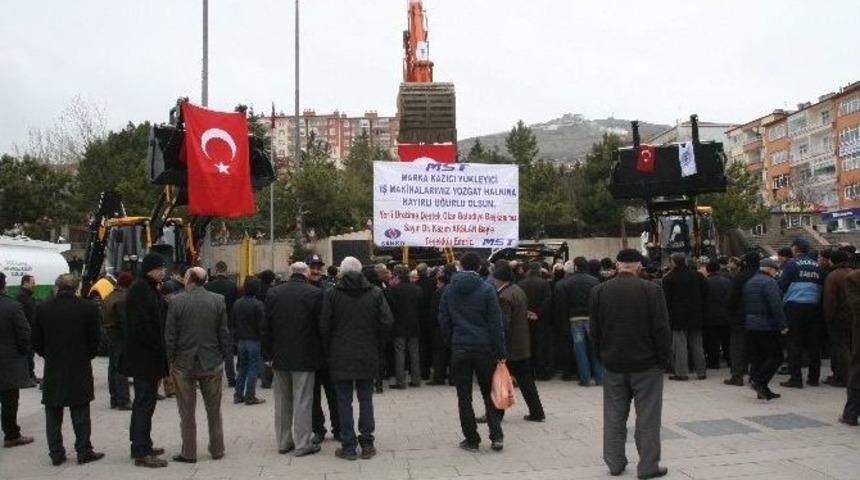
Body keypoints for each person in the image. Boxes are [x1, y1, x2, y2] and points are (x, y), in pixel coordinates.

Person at [590, 249, 671, 479]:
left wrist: (601, 356)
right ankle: (647, 467)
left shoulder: (599, 291)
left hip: (613, 362)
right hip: (646, 364)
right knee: (647, 416)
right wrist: (663, 359)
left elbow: (594, 330)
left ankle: (615, 463)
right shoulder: (652, 290)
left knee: (614, 414)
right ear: (638, 266)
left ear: (617, 265)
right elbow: (661, 328)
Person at [321, 257, 393, 461]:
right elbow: (387, 321)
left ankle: (348, 445)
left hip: (340, 354)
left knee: (343, 401)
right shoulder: (376, 292)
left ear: (342, 272)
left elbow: (324, 325)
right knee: (366, 398)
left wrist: (329, 348)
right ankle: (367, 442)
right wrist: (378, 344)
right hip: (367, 352)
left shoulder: (332, 294)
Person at [32, 274, 104, 466]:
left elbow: (36, 341)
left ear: (57, 287)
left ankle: (56, 452)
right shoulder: (87, 308)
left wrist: (48, 354)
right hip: (79, 365)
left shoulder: (43, 308)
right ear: (77, 288)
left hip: (54, 366)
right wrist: (87, 355)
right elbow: (95, 338)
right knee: (80, 411)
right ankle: (83, 450)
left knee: (53, 412)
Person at [439, 252, 506, 453]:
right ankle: (496, 436)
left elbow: (443, 321)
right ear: (479, 267)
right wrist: (500, 350)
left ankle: (471, 439)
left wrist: (451, 342)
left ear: (460, 266)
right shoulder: (488, 289)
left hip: (460, 347)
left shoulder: (449, 290)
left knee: (464, 396)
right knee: (488, 393)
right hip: (484, 348)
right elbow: (496, 322)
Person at [164, 267, 230, 463]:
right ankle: (217, 448)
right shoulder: (218, 300)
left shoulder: (176, 301)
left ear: (188, 279)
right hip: (211, 361)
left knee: (186, 411)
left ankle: (189, 452)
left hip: (183, 363)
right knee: (214, 409)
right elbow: (223, 332)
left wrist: (169, 361)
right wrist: (223, 358)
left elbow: (170, 336)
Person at [263, 262, 324, 457]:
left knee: (282, 401)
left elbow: (266, 327)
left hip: (279, 356)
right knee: (303, 400)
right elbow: (321, 327)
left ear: (290, 274)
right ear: (306, 274)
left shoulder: (273, 293)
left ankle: (283, 441)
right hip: (305, 356)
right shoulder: (314, 294)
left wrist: (268, 355)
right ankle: (302, 442)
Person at [123, 253, 170, 468]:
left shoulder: (147, 287)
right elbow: (142, 326)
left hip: (148, 357)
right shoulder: (141, 289)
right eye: (160, 268)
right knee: (143, 403)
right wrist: (158, 345)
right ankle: (141, 450)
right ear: (150, 269)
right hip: (145, 358)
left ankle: (142, 444)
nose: (163, 271)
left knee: (146, 403)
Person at [492, 261, 545, 422]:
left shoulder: (503, 296)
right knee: (526, 381)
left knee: (499, 380)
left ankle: (496, 413)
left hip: (510, 346)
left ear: (499, 279)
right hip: (522, 343)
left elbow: (503, 324)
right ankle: (537, 412)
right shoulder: (518, 290)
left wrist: (498, 345)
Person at [779, 238, 825, 388]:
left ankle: (796, 378)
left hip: (794, 307)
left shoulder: (791, 264)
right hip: (814, 308)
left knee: (794, 343)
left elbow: (782, 286)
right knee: (814, 344)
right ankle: (814, 378)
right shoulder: (818, 266)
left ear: (795, 248)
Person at [305, 254, 340, 446]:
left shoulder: (330, 289)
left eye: (318, 267)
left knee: (334, 393)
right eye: (313, 266)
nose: (316, 270)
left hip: (329, 351)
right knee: (313, 395)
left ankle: (339, 428)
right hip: (310, 351)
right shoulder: (303, 290)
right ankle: (318, 429)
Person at [743, 259, 789, 400]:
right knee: (776, 356)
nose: (776, 273)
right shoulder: (769, 283)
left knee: (759, 356)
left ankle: (762, 388)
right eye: (775, 270)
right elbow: (776, 305)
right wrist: (783, 324)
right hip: (767, 325)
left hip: (751, 324)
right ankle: (759, 381)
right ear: (770, 269)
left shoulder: (750, 282)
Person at [555, 257, 603, 386]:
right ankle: (599, 377)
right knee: (594, 347)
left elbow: (562, 305)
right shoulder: (595, 282)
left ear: (575, 266)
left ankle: (584, 378)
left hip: (574, 318)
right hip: (591, 317)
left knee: (580, 349)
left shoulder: (564, 283)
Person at [0, 272, 35, 449]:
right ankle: (11, 435)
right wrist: (23, 352)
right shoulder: (13, 307)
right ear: (3, 285)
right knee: (9, 400)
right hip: (8, 363)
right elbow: (24, 334)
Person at [661, 253, 708, 381]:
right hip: (696, 314)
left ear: (673, 263)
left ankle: (681, 372)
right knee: (697, 344)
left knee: (680, 345)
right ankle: (701, 372)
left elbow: (666, 299)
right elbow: (705, 292)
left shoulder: (669, 278)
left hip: (677, 316)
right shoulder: (697, 275)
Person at [724, 253, 761, 386]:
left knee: (737, 347)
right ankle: (755, 376)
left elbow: (731, 299)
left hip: (740, 317)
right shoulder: (763, 276)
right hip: (760, 317)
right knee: (756, 347)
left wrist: (729, 313)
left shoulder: (740, 277)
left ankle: (737, 375)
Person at [385, 264, 423, 389]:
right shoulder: (417, 289)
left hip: (399, 324)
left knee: (400, 353)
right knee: (414, 353)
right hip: (415, 324)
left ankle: (400, 381)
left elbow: (391, 307)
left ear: (397, 275)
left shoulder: (394, 289)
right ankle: (416, 379)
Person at [204, 261, 239, 388]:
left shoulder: (208, 286)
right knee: (228, 351)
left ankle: (211, 376)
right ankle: (231, 378)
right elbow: (236, 305)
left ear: (216, 269)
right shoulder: (232, 286)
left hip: (212, 323)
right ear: (226, 269)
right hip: (228, 322)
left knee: (212, 350)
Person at [231, 277, 266, 405]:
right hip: (254, 340)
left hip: (241, 340)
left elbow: (233, 322)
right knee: (253, 368)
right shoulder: (258, 304)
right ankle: (250, 395)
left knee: (242, 368)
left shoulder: (237, 303)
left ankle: (238, 394)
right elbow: (262, 325)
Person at [102, 271, 134, 410]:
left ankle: (114, 398)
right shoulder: (124, 298)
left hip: (110, 333)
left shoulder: (109, 296)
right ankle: (123, 400)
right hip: (120, 335)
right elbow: (125, 321)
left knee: (113, 367)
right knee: (121, 367)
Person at [517, 262, 553, 381]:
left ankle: (529, 372)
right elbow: (548, 300)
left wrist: (527, 312)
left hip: (525, 319)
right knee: (541, 346)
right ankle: (541, 372)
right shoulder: (544, 283)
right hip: (541, 319)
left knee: (528, 345)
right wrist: (537, 313)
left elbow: (519, 301)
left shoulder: (521, 284)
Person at [822, 250, 853, 388]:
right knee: (852, 347)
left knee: (840, 348)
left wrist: (828, 317)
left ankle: (843, 377)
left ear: (832, 261)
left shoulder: (832, 277)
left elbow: (830, 300)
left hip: (839, 318)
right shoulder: (854, 272)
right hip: (855, 316)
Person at [429, 264, 456, 385]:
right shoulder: (456, 290)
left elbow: (433, 312)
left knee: (439, 352)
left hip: (440, 326)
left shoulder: (439, 292)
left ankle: (439, 377)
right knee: (452, 352)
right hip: (455, 325)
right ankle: (453, 378)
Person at [703, 260, 732, 370]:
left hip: (710, 316)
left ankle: (713, 363)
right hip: (725, 315)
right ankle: (730, 361)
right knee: (727, 341)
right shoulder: (727, 281)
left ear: (708, 269)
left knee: (712, 341)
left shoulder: (706, 282)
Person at [840, 268, 860, 425]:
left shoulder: (853, 278)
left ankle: (851, 414)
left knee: (857, 371)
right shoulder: (853, 278)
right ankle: (851, 413)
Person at [14, 274, 38, 387]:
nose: (34, 285)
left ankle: (31, 375)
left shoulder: (27, 296)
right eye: (32, 282)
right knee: (27, 354)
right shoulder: (22, 297)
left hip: (30, 329)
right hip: (26, 330)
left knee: (30, 354)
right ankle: (27, 377)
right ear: (25, 283)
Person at [257, 270, 277, 389]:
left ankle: (262, 375)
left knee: (261, 351)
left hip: (258, 323)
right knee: (269, 351)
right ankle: (267, 377)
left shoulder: (258, 290)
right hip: (269, 323)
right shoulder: (273, 291)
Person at [415, 263, 436, 381]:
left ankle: (424, 372)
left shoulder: (416, 285)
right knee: (430, 346)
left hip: (419, 319)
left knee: (422, 347)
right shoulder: (433, 283)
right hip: (431, 318)